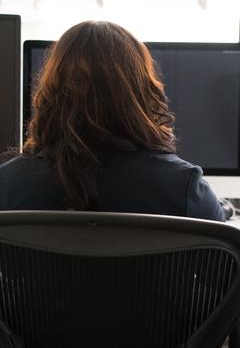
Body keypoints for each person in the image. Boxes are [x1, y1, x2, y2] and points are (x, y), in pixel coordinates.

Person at [0, 20, 225, 221]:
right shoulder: (184, 188)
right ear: (141, 93)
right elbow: (227, 264)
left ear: (51, 92)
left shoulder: (7, 184)